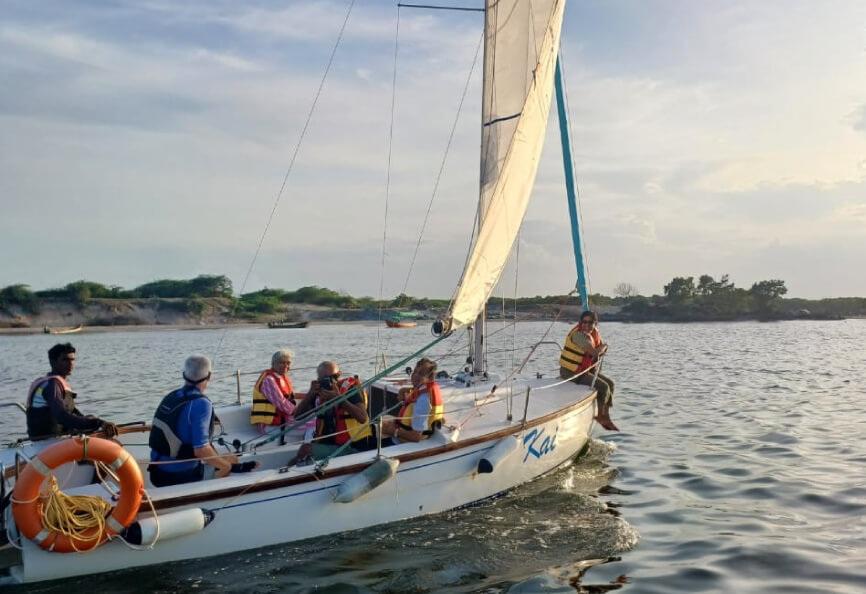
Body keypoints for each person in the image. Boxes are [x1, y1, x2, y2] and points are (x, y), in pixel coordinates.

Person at [148, 355, 256, 487]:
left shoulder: (172, 396)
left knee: (230, 458)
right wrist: (226, 466)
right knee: (229, 465)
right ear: (209, 376)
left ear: (183, 375)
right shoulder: (201, 403)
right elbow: (201, 451)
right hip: (179, 476)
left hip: (156, 472)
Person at [26, 343, 118, 440]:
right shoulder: (52, 385)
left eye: (72, 360)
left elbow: (73, 412)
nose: (70, 364)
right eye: (65, 360)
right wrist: (98, 423)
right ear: (53, 362)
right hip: (47, 441)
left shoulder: (51, 381)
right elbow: (62, 416)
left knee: (90, 418)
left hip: (50, 438)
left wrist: (98, 422)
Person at [292, 361, 371, 461]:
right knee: (303, 453)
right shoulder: (319, 393)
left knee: (305, 450)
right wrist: (310, 394)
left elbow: (363, 418)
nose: (330, 381)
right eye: (324, 379)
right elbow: (298, 416)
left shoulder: (350, 390)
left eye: (334, 377)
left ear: (339, 374)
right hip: (329, 444)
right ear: (319, 379)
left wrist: (339, 399)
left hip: (351, 446)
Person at [559, 311, 618, 431]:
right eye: (584, 322)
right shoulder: (578, 336)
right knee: (604, 387)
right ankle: (601, 417)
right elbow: (595, 352)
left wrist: (602, 347)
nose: (586, 325)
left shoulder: (594, 334)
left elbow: (598, 350)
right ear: (580, 323)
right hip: (570, 372)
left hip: (583, 370)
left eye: (590, 322)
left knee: (611, 384)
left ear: (595, 323)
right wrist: (605, 346)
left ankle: (605, 413)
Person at [380, 357, 444, 443]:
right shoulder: (423, 391)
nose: (415, 375)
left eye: (421, 374)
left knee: (368, 435)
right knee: (381, 422)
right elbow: (417, 391)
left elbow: (416, 436)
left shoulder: (423, 400)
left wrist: (391, 431)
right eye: (415, 372)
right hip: (402, 431)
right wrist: (403, 390)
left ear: (430, 378)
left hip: (401, 442)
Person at [250, 349, 299, 433]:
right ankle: (309, 445)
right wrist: (302, 411)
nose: (286, 366)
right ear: (273, 364)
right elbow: (282, 404)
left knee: (314, 421)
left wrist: (311, 394)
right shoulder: (268, 380)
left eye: (288, 363)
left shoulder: (280, 377)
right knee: (313, 425)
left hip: (283, 421)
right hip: (269, 426)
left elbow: (291, 396)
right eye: (282, 363)